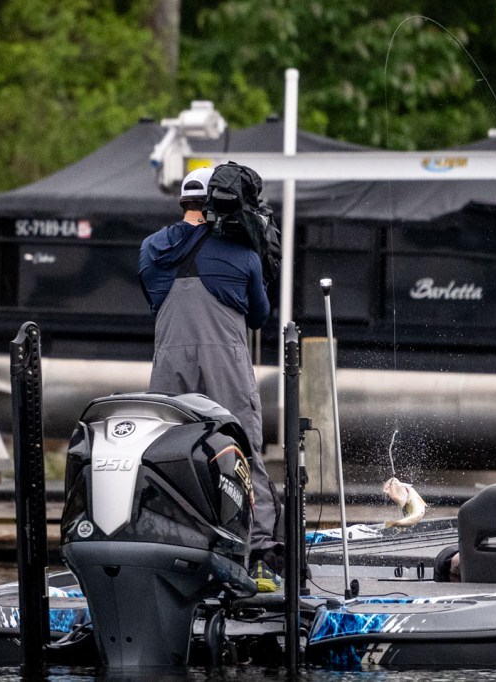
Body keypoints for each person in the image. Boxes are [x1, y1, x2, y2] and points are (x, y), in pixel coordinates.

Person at [138, 166, 281, 574]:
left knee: (166, 453)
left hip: (170, 364)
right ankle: (258, 551)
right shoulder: (243, 254)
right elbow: (259, 316)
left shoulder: (150, 248)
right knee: (242, 451)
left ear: (183, 202)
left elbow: (152, 297)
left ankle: (171, 545)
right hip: (227, 365)